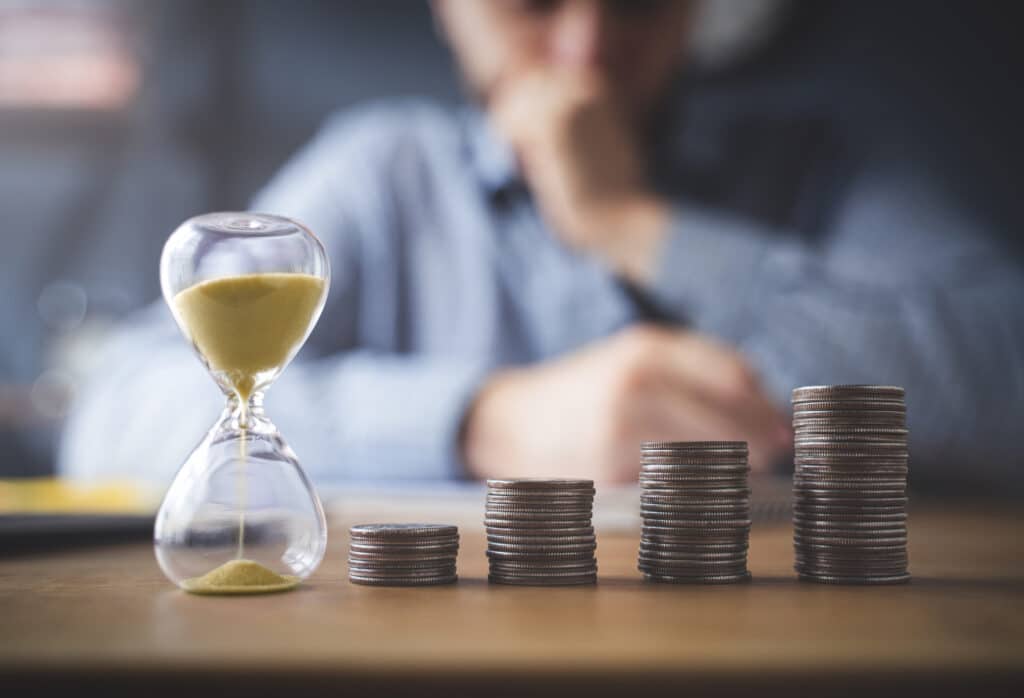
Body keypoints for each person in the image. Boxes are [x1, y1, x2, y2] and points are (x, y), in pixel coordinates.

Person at [60, 0, 1024, 490]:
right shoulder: (384, 169)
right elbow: (114, 413)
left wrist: (631, 225)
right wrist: (484, 422)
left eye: (638, 0)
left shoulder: (825, 162)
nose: (585, 51)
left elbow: (1007, 366)